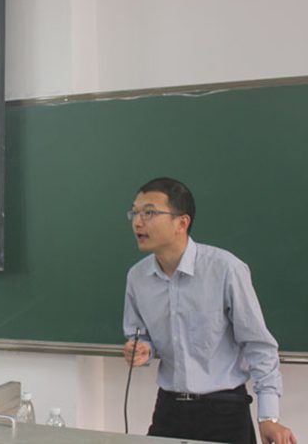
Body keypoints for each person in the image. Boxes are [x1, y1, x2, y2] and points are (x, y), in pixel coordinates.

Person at [122, 177, 297, 444]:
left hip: (224, 410)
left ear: (182, 223)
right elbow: (140, 336)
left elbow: (259, 346)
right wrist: (142, 349)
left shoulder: (225, 269)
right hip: (169, 409)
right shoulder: (137, 277)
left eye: (149, 213)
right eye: (134, 213)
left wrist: (268, 417)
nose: (137, 222)